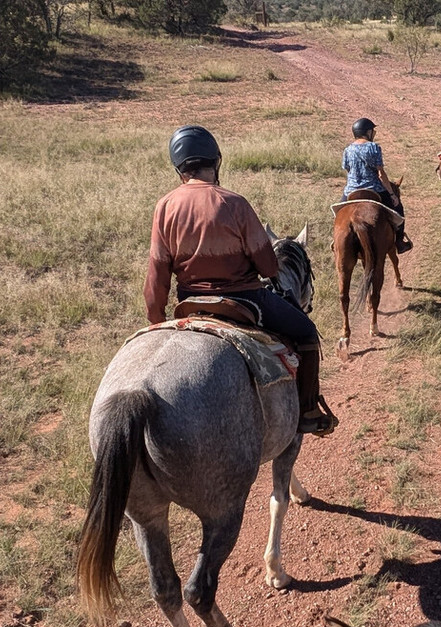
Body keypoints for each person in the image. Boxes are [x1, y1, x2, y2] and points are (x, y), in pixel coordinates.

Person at [145, 124, 338, 436]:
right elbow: (267, 266)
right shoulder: (233, 203)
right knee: (306, 331)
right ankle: (307, 410)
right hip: (245, 300)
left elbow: (157, 275)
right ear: (216, 162)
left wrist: (156, 322)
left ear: (179, 167)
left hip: (189, 301)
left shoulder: (165, 206)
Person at [341, 117, 413, 254]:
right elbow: (381, 174)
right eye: (372, 131)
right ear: (367, 132)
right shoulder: (373, 147)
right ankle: (399, 242)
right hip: (374, 189)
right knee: (398, 209)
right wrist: (392, 194)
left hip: (351, 190)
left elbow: (348, 170)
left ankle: (336, 242)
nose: (373, 133)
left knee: (339, 213)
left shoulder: (347, 149)